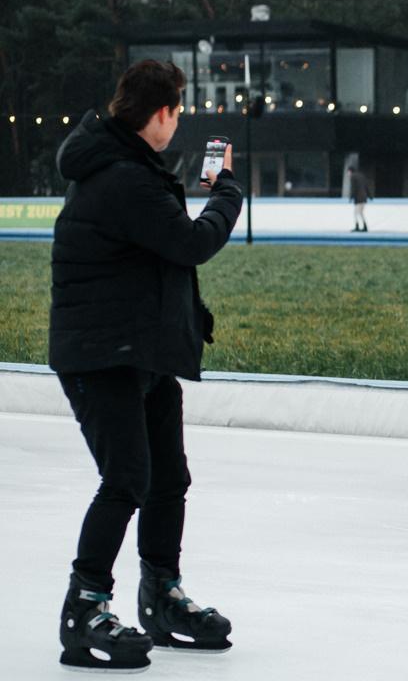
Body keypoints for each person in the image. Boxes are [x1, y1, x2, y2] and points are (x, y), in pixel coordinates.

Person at [49, 60, 242, 671]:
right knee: (127, 478)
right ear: (160, 113)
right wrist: (229, 194)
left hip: (142, 349)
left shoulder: (126, 166)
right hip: (102, 352)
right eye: (178, 110)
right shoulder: (122, 177)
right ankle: (84, 606)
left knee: (168, 478)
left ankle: (161, 594)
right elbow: (189, 244)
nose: (179, 121)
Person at [349, 166, 371, 232]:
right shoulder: (362, 176)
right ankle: (364, 226)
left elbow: (354, 188)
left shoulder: (353, 177)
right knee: (361, 213)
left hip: (358, 198)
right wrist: (370, 196)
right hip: (364, 197)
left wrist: (351, 197)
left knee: (356, 213)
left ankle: (357, 226)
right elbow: (366, 186)